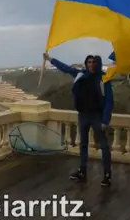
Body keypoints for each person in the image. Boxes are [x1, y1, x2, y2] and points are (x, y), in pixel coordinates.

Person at [43, 52, 114, 187]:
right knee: (83, 144)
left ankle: (107, 175)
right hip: (83, 115)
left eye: (94, 62)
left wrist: (105, 120)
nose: (91, 64)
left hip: (97, 116)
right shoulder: (81, 75)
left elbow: (109, 101)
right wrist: (50, 59)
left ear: (98, 64)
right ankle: (82, 171)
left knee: (104, 146)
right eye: (89, 62)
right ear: (86, 64)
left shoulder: (104, 79)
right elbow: (66, 68)